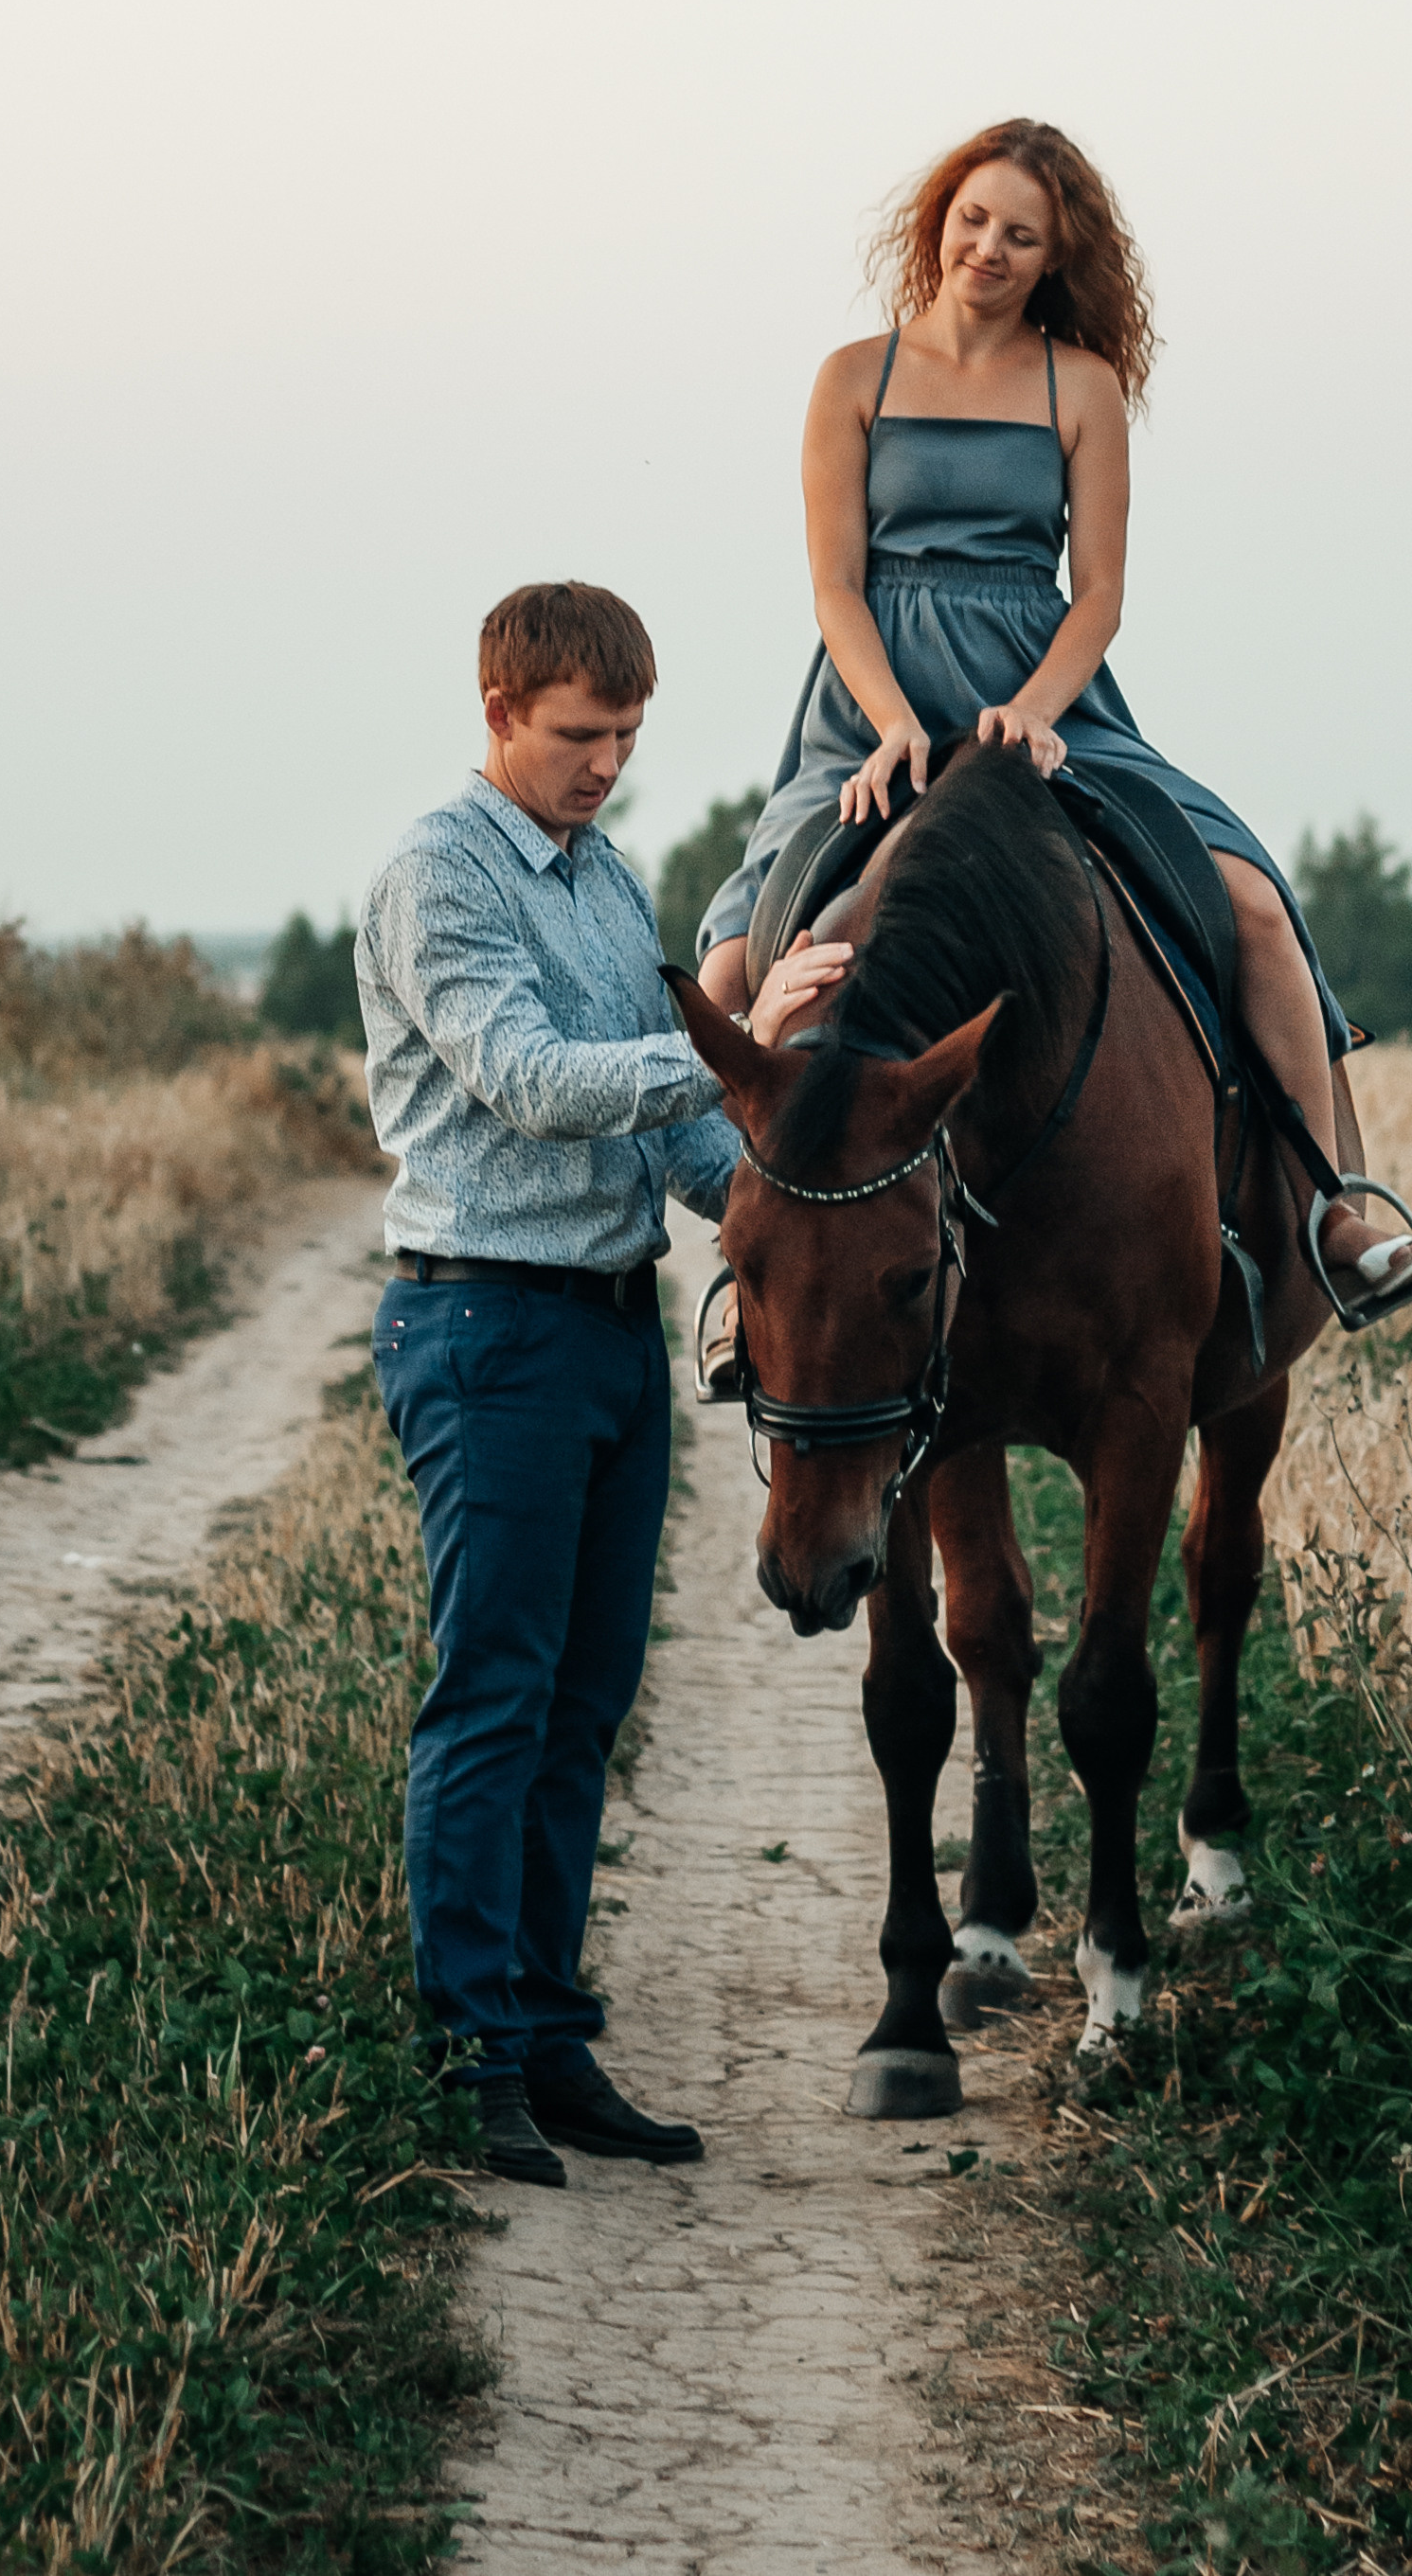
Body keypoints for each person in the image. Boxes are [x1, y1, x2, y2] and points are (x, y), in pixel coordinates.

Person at [696, 117, 1412, 1324]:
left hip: (1044, 698)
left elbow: (1097, 593)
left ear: (1056, 259)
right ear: (938, 219)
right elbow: (835, 584)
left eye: (1021, 236)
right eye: (972, 219)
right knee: (736, 962)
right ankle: (756, 1271)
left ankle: (1330, 1210)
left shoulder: (1078, 385)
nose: (987, 249)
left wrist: (1032, 713)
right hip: (871, 703)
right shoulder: (851, 377)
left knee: (1251, 903)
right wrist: (893, 727)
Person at [357, 579, 845, 2190]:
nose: (606, 764)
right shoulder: (438, 872)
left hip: (610, 1331)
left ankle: (551, 2041)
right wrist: (731, 1031)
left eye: (627, 735)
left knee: (584, 1703)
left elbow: (682, 1142)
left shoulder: (610, 875)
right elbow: (528, 1080)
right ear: (498, 710)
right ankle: (470, 2055)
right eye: (578, 734)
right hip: (484, 1328)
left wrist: (804, 1189)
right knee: (494, 1695)